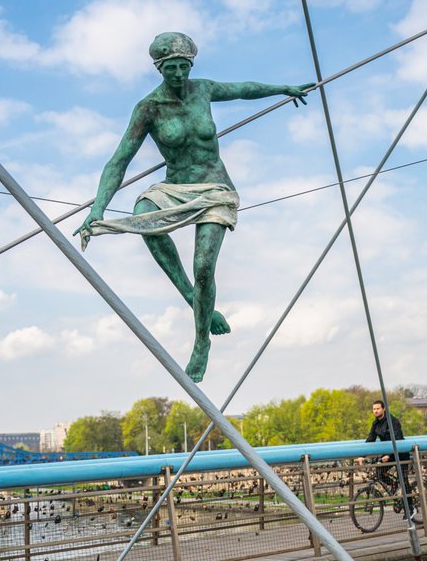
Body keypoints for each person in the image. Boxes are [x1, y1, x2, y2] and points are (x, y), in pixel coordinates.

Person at [74, 32, 313, 382]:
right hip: (175, 187)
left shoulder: (202, 89)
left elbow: (243, 89)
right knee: (142, 217)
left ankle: (201, 341)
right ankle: (194, 300)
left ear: (191, 65)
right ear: (159, 68)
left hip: (215, 186)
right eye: (170, 68)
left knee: (203, 266)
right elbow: (119, 160)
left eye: (183, 66)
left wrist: (282, 88)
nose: (178, 74)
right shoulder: (149, 108)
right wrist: (98, 208)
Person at [357, 400, 411, 502]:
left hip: (400, 454)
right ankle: (394, 485)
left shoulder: (393, 422)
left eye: (378, 409)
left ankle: (411, 508)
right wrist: (362, 455)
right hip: (388, 454)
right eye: (374, 409)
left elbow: (397, 439)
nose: (376, 411)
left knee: (403, 480)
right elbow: (370, 439)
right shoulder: (376, 423)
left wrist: (389, 455)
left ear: (384, 409)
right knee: (379, 472)